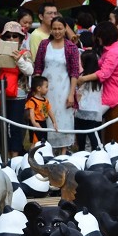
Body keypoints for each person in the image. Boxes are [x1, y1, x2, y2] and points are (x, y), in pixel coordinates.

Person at [33, 16, 80, 153]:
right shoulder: (44, 44)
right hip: (45, 88)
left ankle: (64, 150)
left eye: (60, 28)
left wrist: (71, 94)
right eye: (54, 28)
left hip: (64, 88)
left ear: (65, 29)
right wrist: (36, 89)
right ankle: (46, 148)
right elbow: (38, 67)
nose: (57, 31)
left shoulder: (71, 47)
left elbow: (74, 72)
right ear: (50, 30)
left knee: (63, 118)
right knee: (45, 116)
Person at [0, 21, 35, 156]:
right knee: (1, 126)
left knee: (15, 127)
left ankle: (14, 155)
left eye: (15, 36)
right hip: (1, 95)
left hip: (18, 96)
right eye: (8, 36)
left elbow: (29, 71)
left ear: (20, 39)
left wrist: (18, 59)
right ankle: (4, 153)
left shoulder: (25, 53)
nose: (11, 39)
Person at [74, 20, 118, 120]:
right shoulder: (109, 50)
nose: (98, 38)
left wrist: (83, 79)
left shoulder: (113, 52)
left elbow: (104, 73)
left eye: (99, 35)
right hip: (104, 93)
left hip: (110, 95)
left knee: (89, 120)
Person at [74, 49, 104, 152]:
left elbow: (79, 93)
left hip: (83, 108)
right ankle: (97, 150)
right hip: (94, 108)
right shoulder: (98, 77)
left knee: (81, 131)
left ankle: (82, 151)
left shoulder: (83, 77)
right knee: (92, 131)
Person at [25, 75, 57, 146]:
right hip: (36, 124)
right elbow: (31, 113)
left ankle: (42, 154)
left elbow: (50, 111)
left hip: (43, 123)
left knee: (43, 141)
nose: (47, 89)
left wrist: (54, 122)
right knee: (35, 143)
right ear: (39, 88)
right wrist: (34, 123)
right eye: (46, 87)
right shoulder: (32, 101)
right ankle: (32, 155)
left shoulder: (46, 101)